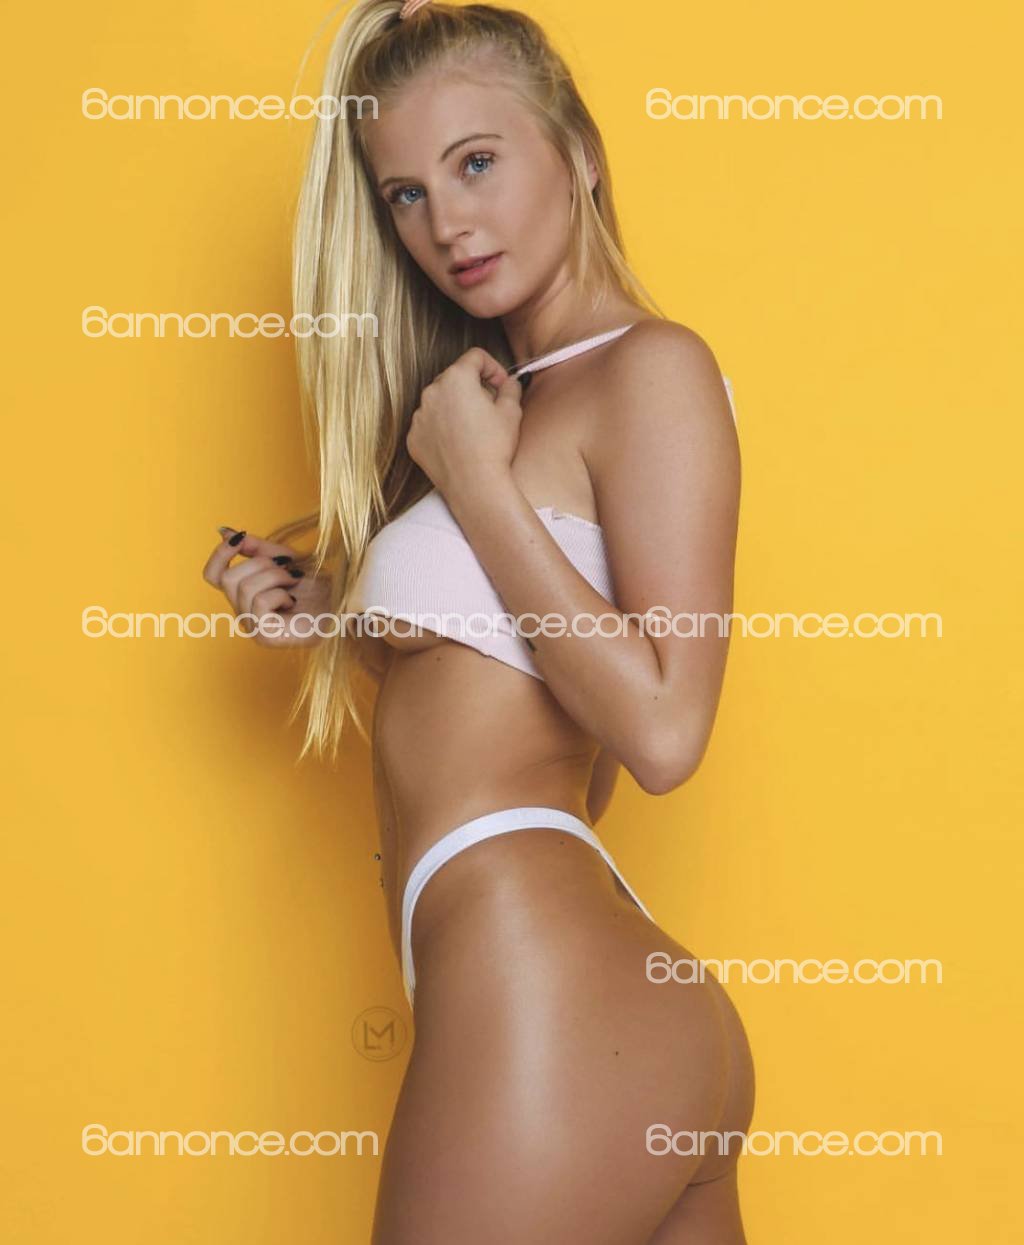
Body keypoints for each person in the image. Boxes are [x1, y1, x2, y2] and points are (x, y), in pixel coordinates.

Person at [202, 1, 755, 1239]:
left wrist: (475, 485)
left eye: (477, 162)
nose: (445, 224)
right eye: (404, 193)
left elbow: (664, 733)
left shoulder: (648, 368)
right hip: (572, 1005)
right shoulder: (499, 399)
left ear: (580, 152)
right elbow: (535, 714)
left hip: (550, 998)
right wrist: (331, 615)